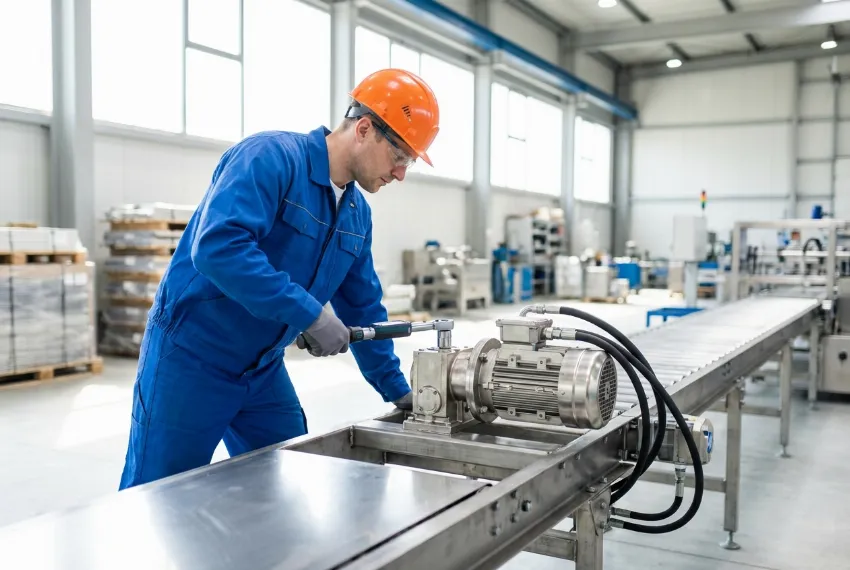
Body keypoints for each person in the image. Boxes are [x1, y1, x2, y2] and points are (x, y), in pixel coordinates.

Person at [118, 69, 440, 490]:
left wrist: (397, 391)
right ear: (364, 129)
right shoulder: (270, 158)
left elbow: (364, 307)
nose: (400, 174)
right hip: (192, 358)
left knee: (285, 484)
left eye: (409, 163)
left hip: (262, 368)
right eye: (400, 157)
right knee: (153, 498)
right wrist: (308, 314)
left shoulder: (356, 215)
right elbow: (219, 248)